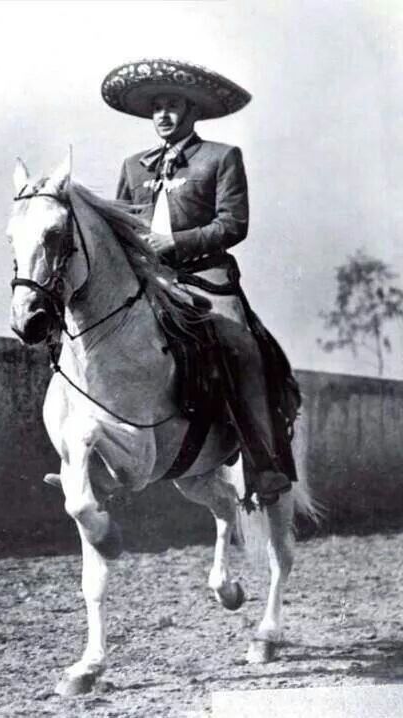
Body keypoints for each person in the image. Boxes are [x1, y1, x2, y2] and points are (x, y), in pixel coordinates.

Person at [101, 59, 299, 506]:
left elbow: (234, 224)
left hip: (206, 276)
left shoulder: (221, 157)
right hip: (149, 277)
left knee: (240, 346)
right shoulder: (134, 166)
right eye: (156, 108)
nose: (163, 116)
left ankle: (263, 462)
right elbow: (119, 223)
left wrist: (175, 244)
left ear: (193, 112)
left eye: (173, 106)